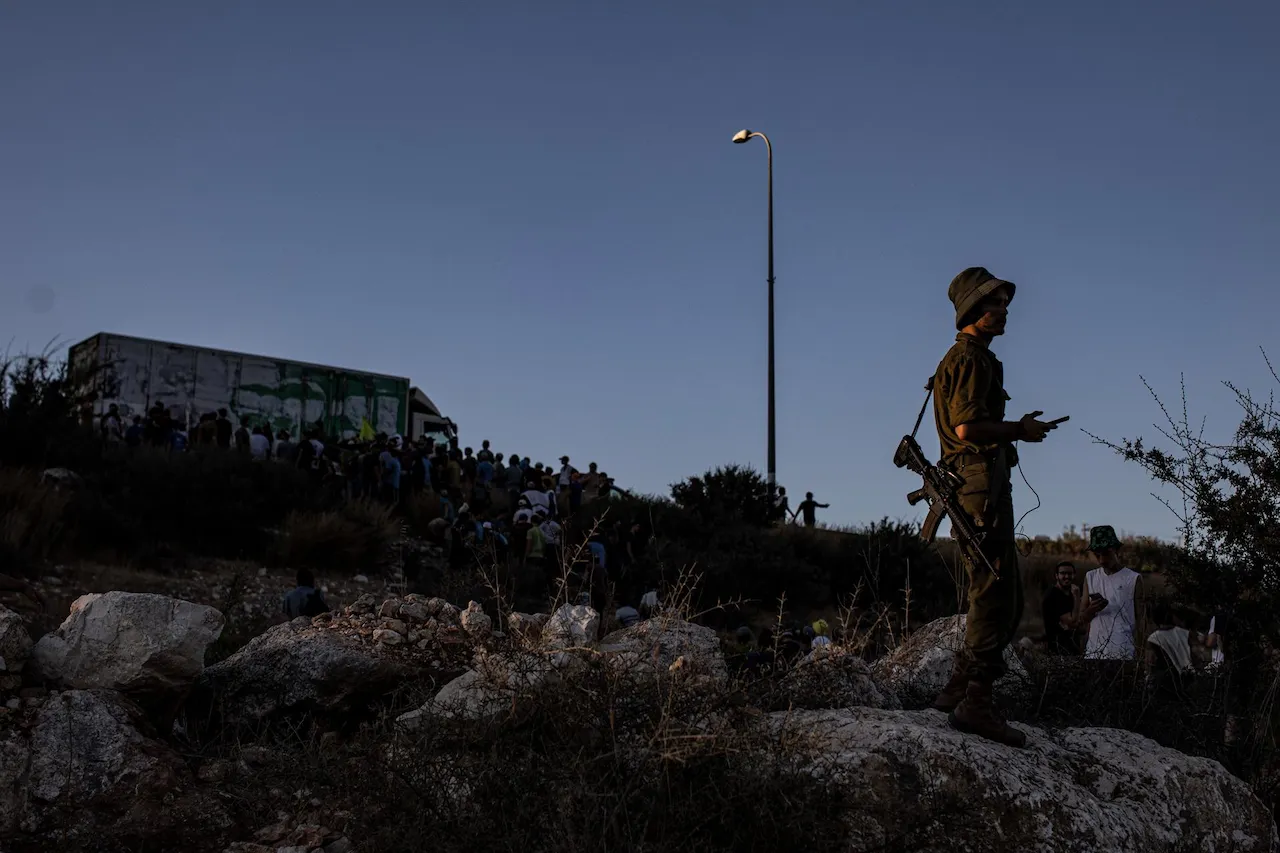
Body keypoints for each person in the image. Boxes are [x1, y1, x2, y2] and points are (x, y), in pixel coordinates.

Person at [929, 266, 1060, 748]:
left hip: (973, 485)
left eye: (1004, 303)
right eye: (994, 304)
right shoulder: (972, 360)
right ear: (973, 311)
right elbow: (967, 429)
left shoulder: (967, 359)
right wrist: (1019, 430)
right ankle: (976, 702)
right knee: (995, 591)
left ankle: (956, 689)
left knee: (996, 588)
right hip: (979, 486)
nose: (1003, 311)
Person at [1080, 525, 1145, 660]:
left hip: (1124, 653)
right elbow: (1082, 618)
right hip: (1094, 653)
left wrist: (1142, 653)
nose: (1102, 560)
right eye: (1097, 555)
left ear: (1116, 550)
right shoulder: (1090, 577)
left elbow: (1142, 620)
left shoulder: (1133, 579)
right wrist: (1091, 610)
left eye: (1106, 553)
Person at [1041, 561, 1102, 655]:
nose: (1066, 576)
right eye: (1063, 573)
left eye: (1070, 573)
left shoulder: (1070, 594)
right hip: (1058, 650)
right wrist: (1077, 598)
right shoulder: (1053, 595)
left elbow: (1081, 628)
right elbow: (1073, 622)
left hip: (1074, 648)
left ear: (1074, 575)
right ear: (1056, 576)